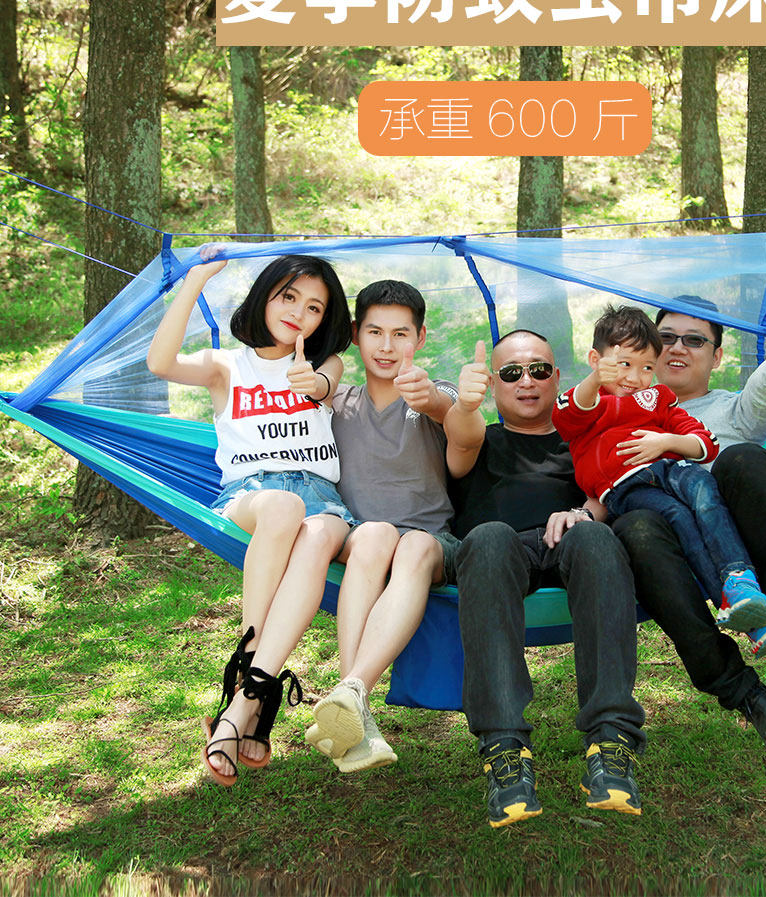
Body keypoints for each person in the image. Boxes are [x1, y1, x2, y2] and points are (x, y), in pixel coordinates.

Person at [147, 248, 384, 786]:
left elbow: (325, 384)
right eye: (289, 297)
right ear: (264, 298)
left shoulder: (326, 364)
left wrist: (312, 384)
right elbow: (160, 363)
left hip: (322, 498)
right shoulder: (225, 366)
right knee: (283, 506)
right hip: (254, 493)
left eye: (315, 308)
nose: (300, 312)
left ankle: (245, 701)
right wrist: (196, 280)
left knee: (316, 529)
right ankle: (251, 670)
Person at [612, 294, 766, 752]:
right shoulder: (616, 415)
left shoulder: (734, 411)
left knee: (745, 458)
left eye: (694, 340)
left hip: (733, 543)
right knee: (636, 526)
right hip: (657, 548)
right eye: (666, 338)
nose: (677, 348)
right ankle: (745, 693)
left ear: (717, 356)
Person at [444, 329, 646, 828]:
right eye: (512, 373)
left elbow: (614, 488)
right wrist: (465, 404)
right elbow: (459, 436)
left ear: (557, 377)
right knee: (488, 537)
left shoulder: (584, 435)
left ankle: (611, 742)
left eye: (538, 370)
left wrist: (585, 513)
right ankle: (504, 749)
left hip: (571, 540)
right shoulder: (478, 437)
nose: (527, 381)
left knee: (598, 537)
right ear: (495, 383)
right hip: (497, 551)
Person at [552, 305, 766, 658]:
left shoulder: (657, 399)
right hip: (626, 489)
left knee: (704, 490)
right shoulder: (588, 405)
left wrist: (665, 441)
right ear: (596, 360)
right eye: (624, 364)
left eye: (647, 368)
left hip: (670, 468)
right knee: (679, 518)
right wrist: (594, 380)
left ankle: (741, 584)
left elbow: (706, 443)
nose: (635, 378)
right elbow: (566, 416)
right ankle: (741, 611)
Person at [303, 280, 472, 773]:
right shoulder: (335, 403)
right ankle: (354, 697)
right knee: (375, 533)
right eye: (375, 332)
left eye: (401, 334)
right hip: (362, 541)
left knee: (412, 544)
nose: (386, 346)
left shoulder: (436, 393)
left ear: (420, 338)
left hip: (430, 545)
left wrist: (435, 402)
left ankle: (351, 695)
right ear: (356, 334)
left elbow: (460, 423)